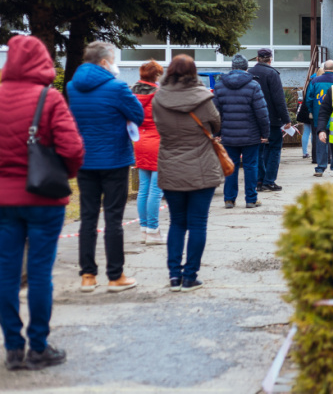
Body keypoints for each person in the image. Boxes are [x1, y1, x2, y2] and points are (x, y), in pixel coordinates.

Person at [0, 36, 84, 371]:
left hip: (3, 201)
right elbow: (73, 148)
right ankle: (38, 346)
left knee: (5, 272)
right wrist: (68, 175)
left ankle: (13, 348)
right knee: (39, 273)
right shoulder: (48, 99)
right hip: (45, 199)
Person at [68, 41, 144, 293]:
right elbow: (138, 115)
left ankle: (88, 275)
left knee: (88, 217)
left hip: (85, 160)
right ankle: (115, 275)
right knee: (113, 218)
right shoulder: (117, 87)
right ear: (103, 62)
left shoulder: (72, 87)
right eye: (112, 59)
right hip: (114, 160)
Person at [152, 55, 225, 293]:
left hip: (170, 165)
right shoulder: (203, 99)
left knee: (176, 223)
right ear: (194, 72)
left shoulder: (159, 98)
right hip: (201, 166)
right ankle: (190, 276)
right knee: (197, 224)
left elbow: (159, 126)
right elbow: (216, 125)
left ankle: (174, 276)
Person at [213, 54, 269, 209]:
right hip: (250, 135)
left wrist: (216, 133)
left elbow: (215, 112)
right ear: (246, 68)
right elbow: (262, 112)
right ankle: (251, 199)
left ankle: (229, 199)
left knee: (231, 165)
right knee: (251, 166)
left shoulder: (219, 86)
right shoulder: (253, 85)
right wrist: (265, 134)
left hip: (228, 136)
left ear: (232, 67)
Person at [248, 49, 292, 193]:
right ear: (270, 59)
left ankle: (260, 180)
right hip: (271, 119)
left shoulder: (249, 73)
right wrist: (286, 119)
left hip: (254, 119)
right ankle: (269, 181)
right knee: (273, 149)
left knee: (259, 150)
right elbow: (279, 100)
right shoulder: (272, 73)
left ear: (257, 58)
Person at [131, 60, 166, 246]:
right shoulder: (159, 95)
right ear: (157, 76)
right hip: (157, 142)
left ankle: (145, 228)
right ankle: (153, 230)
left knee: (144, 188)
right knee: (156, 189)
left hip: (140, 142)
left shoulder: (132, 92)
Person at [306, 60, 333, 177]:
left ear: (324, 69)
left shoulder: (314, 81)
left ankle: (320, 168)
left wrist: (311, 111)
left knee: (321, 141)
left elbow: (309, 99)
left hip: (319, 116)